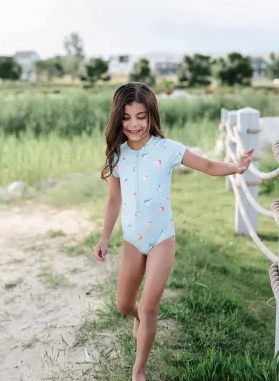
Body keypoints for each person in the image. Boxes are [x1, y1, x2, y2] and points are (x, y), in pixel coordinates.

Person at [93, 82, 253, 381]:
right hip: (131, 240)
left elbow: (206, 165)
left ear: (152, 115)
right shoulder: (118, 155)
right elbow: (114, 200)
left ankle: (138, 370)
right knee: (126, 305)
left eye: (141, 116)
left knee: (149, 306)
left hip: (161, 239)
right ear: (118, 119)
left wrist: (237, 167)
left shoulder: (167, 149)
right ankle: (138, 319)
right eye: (126, 117)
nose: (134, 124)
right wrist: (104, 237)